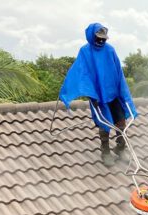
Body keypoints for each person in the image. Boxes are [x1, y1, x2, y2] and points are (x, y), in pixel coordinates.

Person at [59, 23, 137, 166]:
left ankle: (120, 148)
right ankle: (105, 152)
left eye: (103, 39)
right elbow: (82, 74)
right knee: (104, 123)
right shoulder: (85, 52)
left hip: (114, 93)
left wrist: (123, 92)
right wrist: (91, 94)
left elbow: (119, 73)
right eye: (98, 38)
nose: (101, 41)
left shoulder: (110, 50)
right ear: (91, 36)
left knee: (121, 122)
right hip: (98, 95)